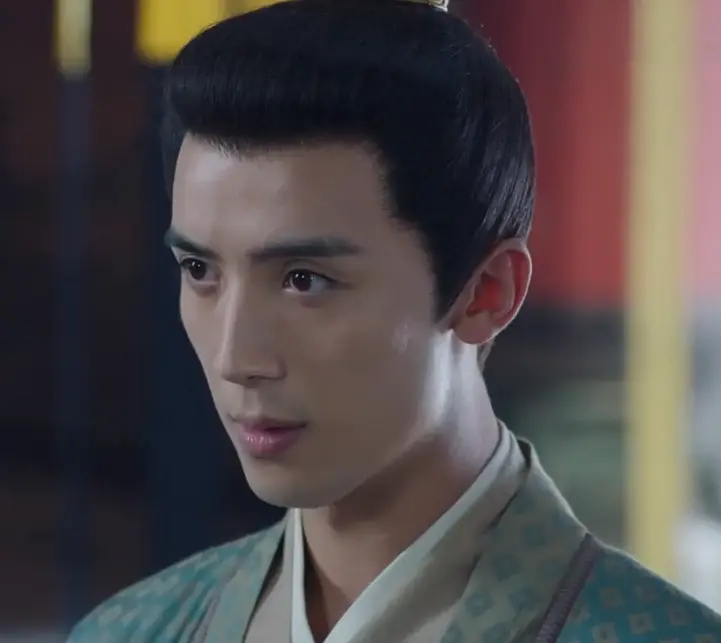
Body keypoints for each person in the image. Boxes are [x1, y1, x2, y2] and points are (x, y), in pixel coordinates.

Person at [68, 0, 721, 641]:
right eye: (199, 270)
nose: (236, 357)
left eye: (304, 280)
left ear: (485, 293)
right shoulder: (131, 630)